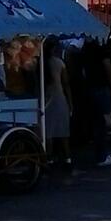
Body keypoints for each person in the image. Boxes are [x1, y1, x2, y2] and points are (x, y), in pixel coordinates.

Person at [82, 37, 111, 167]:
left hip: (89, 88)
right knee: (104, 122)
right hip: (101, 87)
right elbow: (109, 70)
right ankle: (102, 155)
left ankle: (100, 154)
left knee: (97, 122)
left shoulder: (85, 50)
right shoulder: (101, 50)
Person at [44, 37, 73, 166]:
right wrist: (70, 102)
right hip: (59, 98)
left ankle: (49, 158)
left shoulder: (40, 64)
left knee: (48, 132)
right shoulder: (59, 62)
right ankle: (67, 157)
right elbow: (66, 83)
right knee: (63, 130)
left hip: (45, 99)